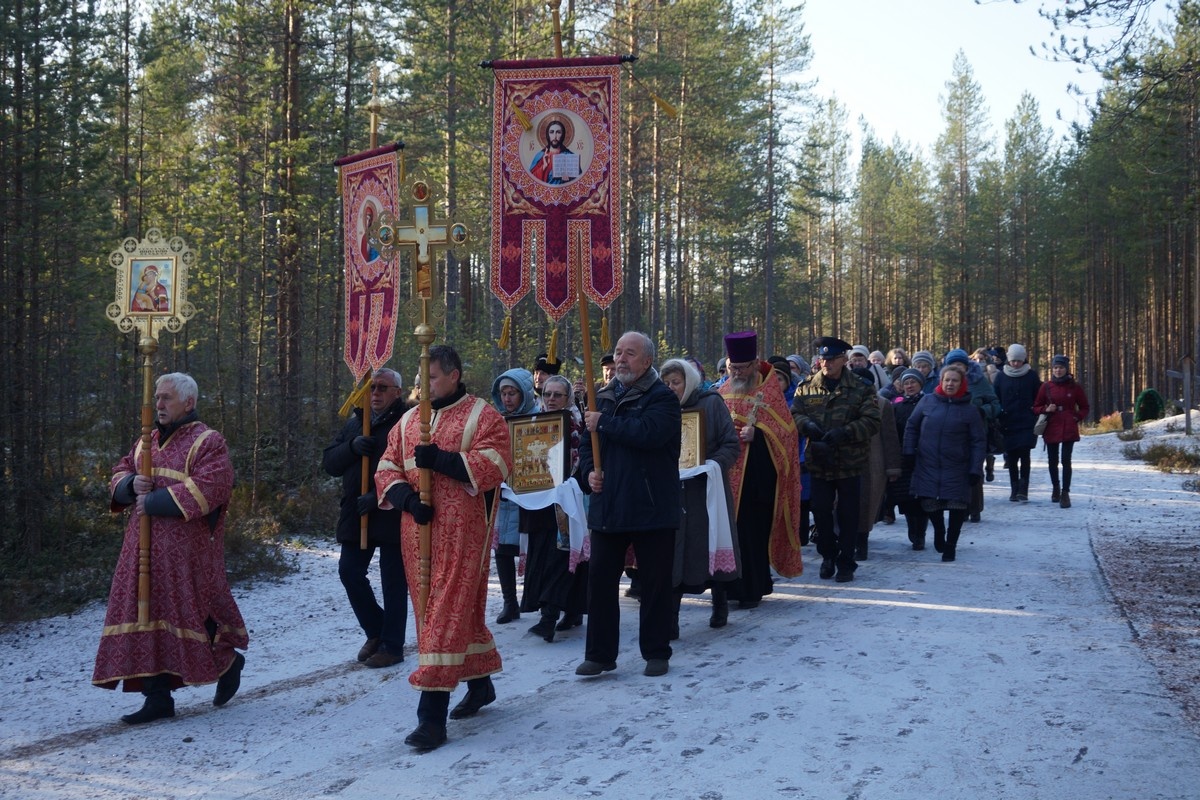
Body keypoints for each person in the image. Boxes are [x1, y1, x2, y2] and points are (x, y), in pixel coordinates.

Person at [375, 344, 513, 753]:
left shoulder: (482, 415)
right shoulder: (406, 422)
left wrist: (444, 460)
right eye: (419, 380)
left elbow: (497, 463)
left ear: (453, 375)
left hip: (463, 532)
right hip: (416, 531)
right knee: (442, 613)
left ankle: (430, 718)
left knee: (444, 613)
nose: (423, 386)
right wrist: (407, 500)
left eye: (431, 378)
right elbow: (387, 466)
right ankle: (481, 684)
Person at [93, 373, 247, 724]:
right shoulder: (145, 441)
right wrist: (131, 484)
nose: (158, 405)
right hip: (141, 546)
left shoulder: (208, 441)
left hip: (187, 550)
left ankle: (227, 662)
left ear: (188, 403)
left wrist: (157, 501)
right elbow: (119, 471)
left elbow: (213, 486)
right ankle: (157, 697)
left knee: (192, 612)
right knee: (143, 612)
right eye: (157, 398)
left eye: (166, 398)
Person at [576, 331, 681, 678]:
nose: (621, 359)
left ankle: (656, 651)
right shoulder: (601, 397)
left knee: (654, 582)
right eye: (618, 352)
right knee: (601, 581)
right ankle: (600, 654)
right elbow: (588, 446)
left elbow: (648, 433)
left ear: (647, 361)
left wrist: (604, 422)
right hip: (609, 504)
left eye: (630, 353)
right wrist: (590, 474)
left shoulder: (662, 398)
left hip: (651, 504)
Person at [321, 367, 409, 668]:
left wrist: (380, 495)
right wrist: (351, 447)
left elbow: (414, 471)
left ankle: (392, 645)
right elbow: (329, 463)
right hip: (355, 510)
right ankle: (376, 630)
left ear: (398, 392)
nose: (376, 393)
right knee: (349, 571)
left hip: (391, 510)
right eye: (372, 387)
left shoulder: (406, 423)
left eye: (383, 388)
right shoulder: (357, 423)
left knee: (393, 581)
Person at [719, 331, 803, 606]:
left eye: (742, 368)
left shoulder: (769, 391)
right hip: (727, 475)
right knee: (730, 534)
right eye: (734, 368)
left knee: (751, 534)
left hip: (757, 478)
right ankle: (731, 587)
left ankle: (753, 589)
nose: (738, 373)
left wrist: (760, 435)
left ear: (755, 364)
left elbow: (787, 432)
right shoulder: (722, 390)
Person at [792, 336, 881, 583]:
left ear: (844, 359)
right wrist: (807, 425)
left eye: (831, 359)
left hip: (849, 461)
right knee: (820, 511)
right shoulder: (807, 386)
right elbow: (795, 414)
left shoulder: (861, 388)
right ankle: (828, 554)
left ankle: (846, 561)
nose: (826, 363)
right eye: (823, 358)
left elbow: (872, 421)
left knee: (848, 514)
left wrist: (846, 432)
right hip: (819, 461)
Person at [660, 358, 740, 630]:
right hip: (672, 492)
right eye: (666, 383)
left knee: (709, 544)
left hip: (705, 491)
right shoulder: (660, 409)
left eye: (676, 382)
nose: (671, 388)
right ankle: (670, 618)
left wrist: (711, 465)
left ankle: (720, 603)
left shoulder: (711, 403)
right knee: (672, 554)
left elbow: (731, 444)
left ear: (689, 382)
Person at [521, 374, 588, 640]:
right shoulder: (531, 423)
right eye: (547, 394)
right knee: (542, 553)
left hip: (565, 500)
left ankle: (550, 616)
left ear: (568, 398)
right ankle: (567, 611)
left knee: (562, 555)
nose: (550, 399)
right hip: (537, 500)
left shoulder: (575, 425)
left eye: (557, 395)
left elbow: (578, 460)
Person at [903, 363, 986, 562]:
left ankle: (951, 545)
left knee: (957, 507)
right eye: (947, 380)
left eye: (954, 380)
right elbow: (912, 426)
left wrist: (976, 469)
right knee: (931, 503)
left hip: (957, 466)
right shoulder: (927, 402)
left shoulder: (970, 410)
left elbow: (978, 441)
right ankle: (939, 530)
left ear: (962, 383)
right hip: (928, 463)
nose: (950, 383)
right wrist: (908, 452)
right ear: (941, 381)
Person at [489, 367, 538, 624]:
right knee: (503, 550)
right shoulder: (495, 420)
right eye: (503, 393)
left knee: (533, 548)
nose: (507, 399)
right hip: (503, 493)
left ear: (525, 393)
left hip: (532, 494)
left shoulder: (540, 418)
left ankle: (535, 598)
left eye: (513, 393)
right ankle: (510, 603)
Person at [943, 348, 1001, 523]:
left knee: (974, 470)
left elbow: (995, 404)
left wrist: (981, 411)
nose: (957, 368)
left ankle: (974, 508)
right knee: (955, 472)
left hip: (976, 433)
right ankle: (959, 505)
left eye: (960, 364)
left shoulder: (979, 381)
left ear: (967, 366)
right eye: (953, 364)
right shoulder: (946, 382)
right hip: (951, 434)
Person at [1034, 355, 1090, 508]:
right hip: (1051, 426)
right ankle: (1055, 488)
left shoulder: (1075, 387)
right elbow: (1036, 407)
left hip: (1068, 426)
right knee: (1053, 460)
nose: (1058, 370)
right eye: (1056, 367)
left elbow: (1085, 407)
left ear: (1066, 369)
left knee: (1066, 460)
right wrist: (1046, 409)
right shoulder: (1046, 387)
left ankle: (1065, 493)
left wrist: (1076, 417)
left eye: (1061, 367)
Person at [993, 343, 1042, 502]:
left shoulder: (1031, 376)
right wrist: (998, 414)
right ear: (1008, 360)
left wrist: (1034, 411)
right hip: (1008, 421)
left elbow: (1038, 397)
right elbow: (996, 397)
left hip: (1027, 421)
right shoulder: (1001, 376)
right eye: (1013, 360)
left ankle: (1023, 489)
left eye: (1019, 361)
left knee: (1025, 455)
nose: (1016, 363)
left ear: (1024, 360)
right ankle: (1014, 489)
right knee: (1012, 457)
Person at [888, 369, 929, 549]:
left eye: (913, 382)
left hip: (925, 457)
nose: (909, 386)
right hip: (904, 458)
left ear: (921, 384)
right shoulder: (897, 407)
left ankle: (920, 533)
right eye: (906, 383)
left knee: (922, 497)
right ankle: (913, 531)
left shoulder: (929, 403)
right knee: (906, 497)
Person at [529, 119, 577, 184]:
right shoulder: (540, 155)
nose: (555, 136)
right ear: (547, 134)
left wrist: (567, 177)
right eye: (551, 132)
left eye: (558, 132)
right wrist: (543, 167)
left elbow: (577, 181)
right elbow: (530, 181)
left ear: (563, 135)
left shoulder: (569, 156)